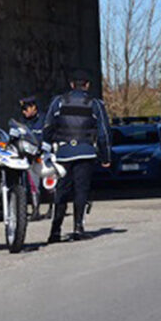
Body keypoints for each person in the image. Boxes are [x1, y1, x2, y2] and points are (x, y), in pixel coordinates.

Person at [42, 69, 112, 242]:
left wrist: (47, 150)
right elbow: (104, 132)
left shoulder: (58, 102)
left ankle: (55, 231)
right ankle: (78, 228)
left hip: (63, 153)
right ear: (87, 85)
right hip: (85, 152)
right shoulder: (95, 103)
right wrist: (106, 157)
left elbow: (47, 127)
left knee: (61, 191)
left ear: (71, 84)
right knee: (81, 190)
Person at [19, 95, 50, 220]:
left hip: (43, 155)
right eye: (23, 109)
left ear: (34, 107)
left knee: (48, 183)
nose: (24, 112)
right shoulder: (23, 121)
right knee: (32, 183)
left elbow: (47, 136)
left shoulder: (43, 119)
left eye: (26, 108)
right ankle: (35, 210)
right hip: (29, 157)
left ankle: (51, 208)